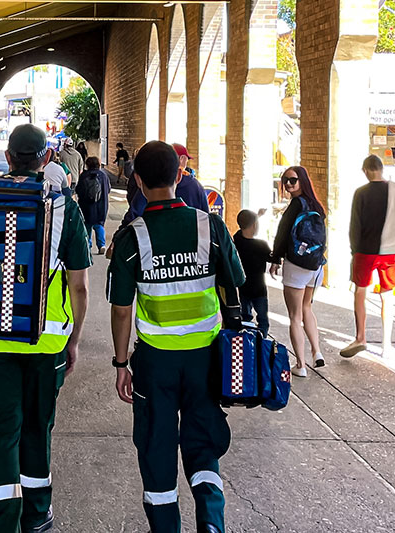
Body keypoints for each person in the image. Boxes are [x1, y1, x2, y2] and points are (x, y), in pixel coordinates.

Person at [0, 124, 92, 533]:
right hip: (46, 342)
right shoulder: (65, 209)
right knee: (37, 427)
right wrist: (74, 340)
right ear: (45, 159)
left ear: (8, 157)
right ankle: (36, 514)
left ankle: (1, 520)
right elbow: (80, 285)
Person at [108, 141, 244, 533]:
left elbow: (121, 309)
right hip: (206, 359)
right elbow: (235, 285)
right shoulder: (210, 226)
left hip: (156, 363)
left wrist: (121, 364)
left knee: (157, 448)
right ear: (180, 175)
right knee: (203, 445)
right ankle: (211, 522)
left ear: (136, 181)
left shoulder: (134, 237)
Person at [341, 155, 395, 359]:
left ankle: (360, 337)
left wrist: (354, 251)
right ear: (381, 168)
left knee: (360, 292)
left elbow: (355, 226)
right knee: (387, 296)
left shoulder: (361, 192)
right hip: (390, 252)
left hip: (365, 251)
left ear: (366, 170)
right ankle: (386, 345)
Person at [270, 166, 327, 377]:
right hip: (315, 265)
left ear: (302, 180)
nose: (288, 184)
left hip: (297, 265)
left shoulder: (296, 204)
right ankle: (317, 352)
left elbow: (282, 233)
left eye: (292, 180)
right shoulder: (316, 205)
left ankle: (301, 365)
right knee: (306, 308)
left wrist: (275, 258)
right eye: (285, 180)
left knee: (294, 316)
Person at [118, 142, 209, 230]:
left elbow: (133, 216)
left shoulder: (148, 186)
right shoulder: (197, 186)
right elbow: (206, 219)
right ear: (178, 176)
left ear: (138, 179)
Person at [233, 209, 273, 336]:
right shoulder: (261, 245)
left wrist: (256, 216)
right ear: (255, 225)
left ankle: (246, 341)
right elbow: (274, 257)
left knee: (245, 319)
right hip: (259, 290)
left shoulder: (237, 242)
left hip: (243, 289)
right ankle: (263, 344)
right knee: (263, 321)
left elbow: (241, 231)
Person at [76, 156, 110, 255]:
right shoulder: (103, 176)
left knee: (87, 226)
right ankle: (101, 245)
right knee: (99, 225)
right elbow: (108, 190)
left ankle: (88, 245)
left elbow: (79, 190)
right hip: (101, 205)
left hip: (86, 205)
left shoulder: (84, 176)